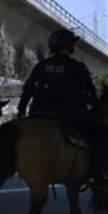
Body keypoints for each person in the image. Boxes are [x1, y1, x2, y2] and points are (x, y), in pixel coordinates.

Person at [18, 29, 106, 182]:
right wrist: (97, 114)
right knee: (101, 133)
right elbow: (90, 94)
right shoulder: (77, 67)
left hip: (38, 112)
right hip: (68, 114)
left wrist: (21, 109)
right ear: (70, 46)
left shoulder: (42, 65)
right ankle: (97, 172)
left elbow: (28, 88)